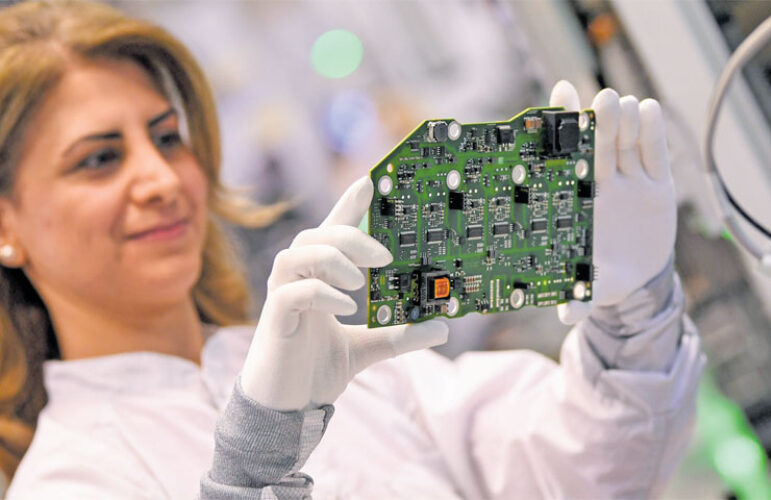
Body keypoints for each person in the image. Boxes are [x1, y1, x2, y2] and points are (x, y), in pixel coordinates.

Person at [0, 1, 705, 498]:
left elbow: (581, 472)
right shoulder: (71, 478)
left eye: (166, 137)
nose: (160, 178)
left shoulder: (340, 362)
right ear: (7, 226)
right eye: (98, 159)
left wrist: (632, 307)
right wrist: (256, 458)